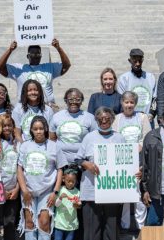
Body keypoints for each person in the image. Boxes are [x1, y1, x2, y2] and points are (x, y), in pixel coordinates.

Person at [75, 107, 127, 240]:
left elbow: (127, 163)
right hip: (91, 192)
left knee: (112, 230)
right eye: (101, 119)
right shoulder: (89, 137)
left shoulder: (119, 138)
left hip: (112, 192)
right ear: (96, 120)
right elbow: (78, 159)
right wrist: (86, 164)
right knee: (92, 231)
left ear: (112, 119)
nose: (104, 121)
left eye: (107, 118)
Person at [17, 116, 62, 240]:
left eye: (41, 128)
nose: (38, 131)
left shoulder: (54, 146)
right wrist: (24, 190)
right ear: (31, 130)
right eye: (35, 129)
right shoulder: (25, 146)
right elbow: (20, 169)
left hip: (47, 191)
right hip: (28, 191)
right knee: (29, 222)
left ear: (46, 129)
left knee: (44, 222)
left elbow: (60, 170)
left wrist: (55, 192)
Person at [113, 91, 150, 230]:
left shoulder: (142, 117)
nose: (129, 105)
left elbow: (147, 138)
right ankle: (125, 225)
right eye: (126, 102)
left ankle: (141, 225)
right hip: (121, 160)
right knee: (125, 194)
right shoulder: (116, 119)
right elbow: (114, 139)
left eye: (131, 102)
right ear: (122, 103)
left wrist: (139, 148)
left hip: (139, 159)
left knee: (138, 194)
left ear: (135, 104)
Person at [0, 39, 71, 107]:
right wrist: (10, 50)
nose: (35, 56)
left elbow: (66, 65)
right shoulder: (19, 69)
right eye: (32, 54)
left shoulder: (49, 67)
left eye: (38, 54)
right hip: (25, 107)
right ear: (27, 56)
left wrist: (58, 48)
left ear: (41, 56)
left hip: (46, 107)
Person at [0, 113, 21, 240]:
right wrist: (0, 189)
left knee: (10, 223)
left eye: (9, 125)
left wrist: (17, 188)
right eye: (4, 126)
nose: (7, 128)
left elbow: (20, 168)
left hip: (12, 191)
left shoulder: (17, 144)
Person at [50, 88, 96, 167]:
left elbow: (94, 139)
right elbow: (52, 139)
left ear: (82, 101)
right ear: (65, 101)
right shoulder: (56, 117)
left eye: (78, 99)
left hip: (83, 161)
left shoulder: (90, 118)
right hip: (61, 160)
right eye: (71, 99)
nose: (74, 102)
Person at [117, 48, 157, 122]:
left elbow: (155, 99)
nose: (137, 64)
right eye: (135, 61)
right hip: (129, 120)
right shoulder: (123, 79)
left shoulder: (150, 77)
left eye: (140, 61)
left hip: (147, 120)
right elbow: (121, 100)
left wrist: (152, 114)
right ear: (130, 61)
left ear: (142, 61)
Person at [53, 168, 81, 240]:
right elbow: (56, 205)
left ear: (76, 181)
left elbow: (79, 205)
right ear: (63, 180)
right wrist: (60, 198)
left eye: (73, 181)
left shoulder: (77, 192)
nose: (71, 183)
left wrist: (77, 205)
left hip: (71, 225)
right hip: (59, 224)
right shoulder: (60, 189)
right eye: (68, 181)